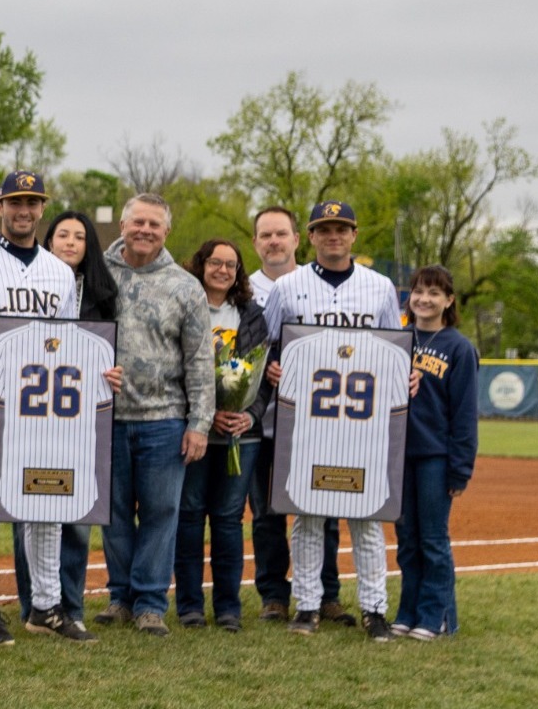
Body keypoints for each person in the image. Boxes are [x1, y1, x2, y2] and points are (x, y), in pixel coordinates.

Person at [0, 171, 84, 644]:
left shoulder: (60, 271)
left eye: (33, 202)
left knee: (45, 498)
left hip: (43, 402)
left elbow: (67, 340)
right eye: (15, 201)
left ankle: (45, 605)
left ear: (42, 208)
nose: (24, 210)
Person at [260, 200, 406, 640]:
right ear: (311, 236)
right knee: (306, 515)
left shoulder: (379, 287)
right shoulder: (288, 287)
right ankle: (306, 606)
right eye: (325, 229)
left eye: (342, 228)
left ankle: (375, 608)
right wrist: (271, 368)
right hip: (306, 421)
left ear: (354, 235)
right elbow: (268, 346)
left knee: (366, 516)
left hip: (361, 423)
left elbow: (394, 350)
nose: (334, 236)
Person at [97, 193, 214, 637]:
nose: (145, 230)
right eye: (137, 222)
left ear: (167, 231)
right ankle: (119, 597)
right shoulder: (96, 274)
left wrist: (199, 423)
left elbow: (200, 360)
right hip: (107, 416)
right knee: (113, 513)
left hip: (164, 418)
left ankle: (149, 602)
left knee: (162, 513)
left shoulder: (185, 286)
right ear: (123, 225)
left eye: (154, 224)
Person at [12, 210, 119, 627]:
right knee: (28, 508)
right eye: (62, 235)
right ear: (48, 240)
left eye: (79, 236)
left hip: (81, 417)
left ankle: (68, 605)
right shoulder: (30, 285)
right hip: (32, 411)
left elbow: (110, 350)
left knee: (74, 514)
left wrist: (113, 372)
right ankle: (33, 606)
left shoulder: (102, 293)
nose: (71, 242)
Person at [246, 206, 338, 621]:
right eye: (266, 235)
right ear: (255, 242)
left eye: (281, 234)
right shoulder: (241, 288)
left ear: (297, 239)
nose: (274, 242)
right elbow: (246, 354)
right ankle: (274, 595)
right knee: (267, 515)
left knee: (325, 509)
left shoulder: (316, 285)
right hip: (264, 425)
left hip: (318, 424)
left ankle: (326, 592)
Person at [171, 239, 267, 631]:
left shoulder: (251, 314)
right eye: (215, 262)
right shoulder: (185, 304)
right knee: (189, 517)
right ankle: (190, 605)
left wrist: (248, 415)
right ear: (201, 265)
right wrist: (202, 416)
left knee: (228, 520)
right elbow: (172, 366)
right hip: (195, 431)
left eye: (231, 264)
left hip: (238, 436)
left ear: (239, 272)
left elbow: (264, 377)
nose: (223, 270)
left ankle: (229, 607)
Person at [393, 265, 478, 640]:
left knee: (432, 538)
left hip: (435, 457)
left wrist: (459, 470)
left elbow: (464, 416)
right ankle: (408, 610)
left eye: (434, 293)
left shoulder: (458, 347)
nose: (424, 299)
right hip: (399, 455)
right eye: (418, 291)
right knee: (407, 538)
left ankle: (437, 616)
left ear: (449, 300)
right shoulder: (397, 339)